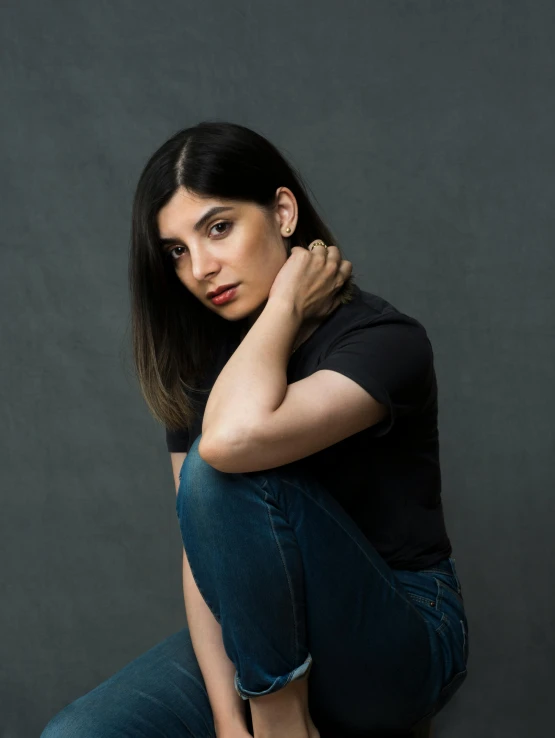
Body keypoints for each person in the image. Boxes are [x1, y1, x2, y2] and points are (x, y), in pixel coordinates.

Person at [41, 121, 469, 738]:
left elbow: (231, 447)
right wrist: (225, 720)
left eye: (218, 228)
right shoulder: (205, 369)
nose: (201, 268)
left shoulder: (383, 341)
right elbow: (203, 555)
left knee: (219, 473)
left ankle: (281, 721)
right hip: (258, 628)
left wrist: (287, 306)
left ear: (283, 212)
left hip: (400, 632)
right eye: (177, 251)